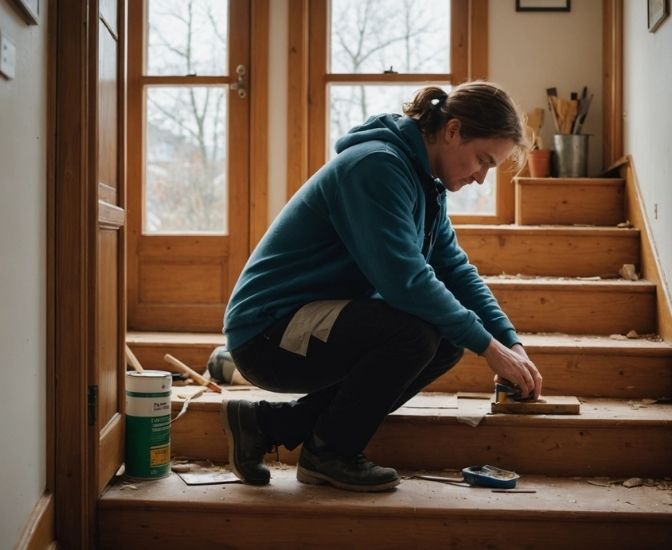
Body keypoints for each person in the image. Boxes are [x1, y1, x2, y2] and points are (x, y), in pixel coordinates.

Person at [220, 81, 543, 493]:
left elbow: (456, 270)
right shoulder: (376, 166)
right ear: (453, 130)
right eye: (481, 161)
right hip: (267, 332)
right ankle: (330, 453)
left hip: (310, 320)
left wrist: (508, 342)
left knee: (443, 340)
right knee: (414, 332)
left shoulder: (426, 185)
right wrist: (488, 348)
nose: (480, 178)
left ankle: (270, 425)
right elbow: (405, 282)